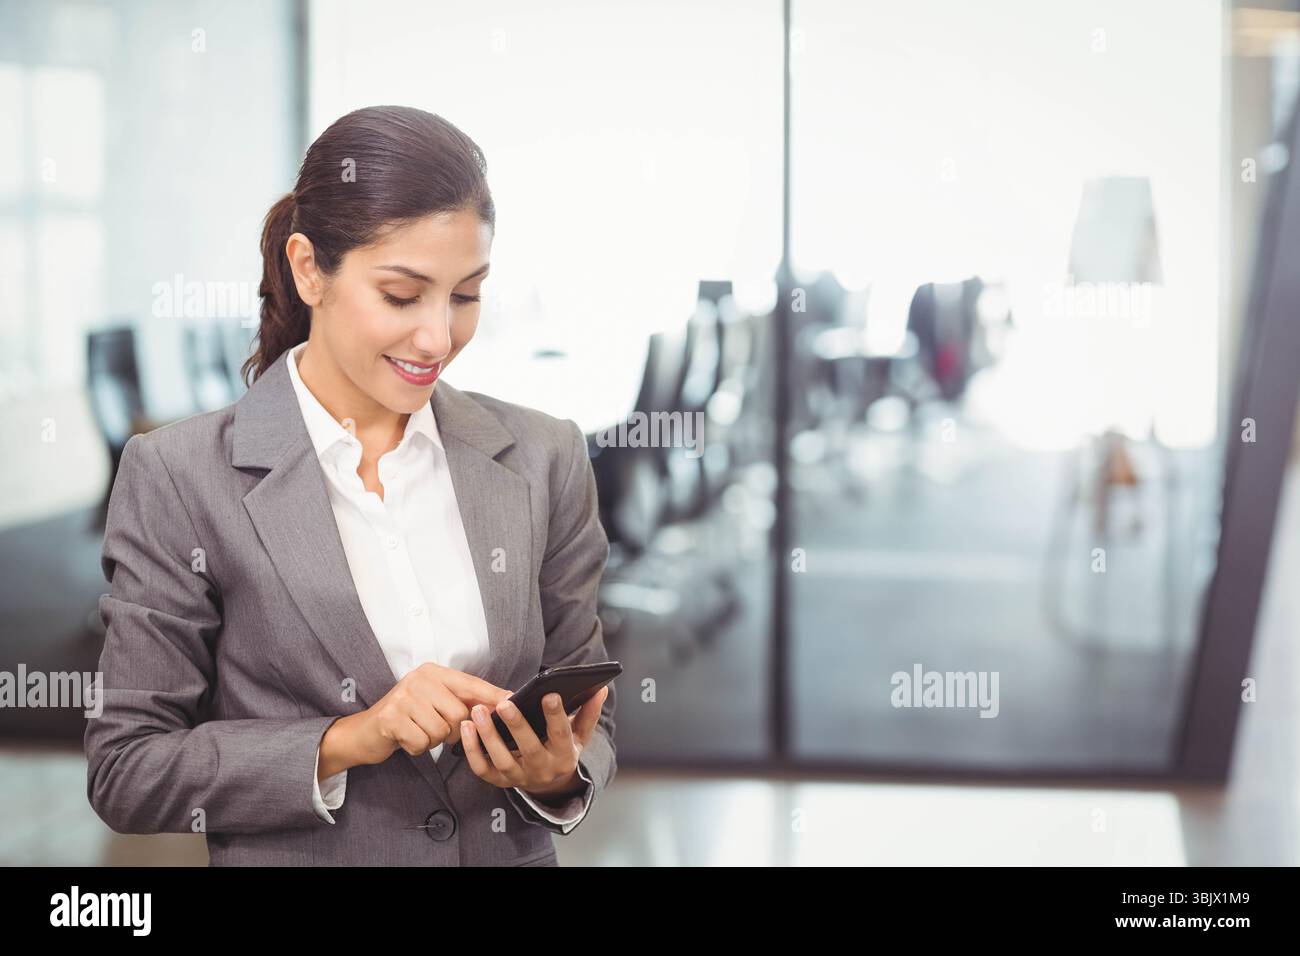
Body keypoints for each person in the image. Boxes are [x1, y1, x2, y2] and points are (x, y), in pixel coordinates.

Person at [84, 105, 616, 866]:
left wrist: (558, 774)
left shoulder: (543, 455)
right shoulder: (181, 477)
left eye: (465, 295)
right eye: (402, 296)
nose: (438, 338)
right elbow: (127, 771)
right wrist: (350, 740)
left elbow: (591, 715)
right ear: (309, 270)